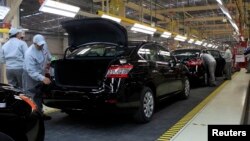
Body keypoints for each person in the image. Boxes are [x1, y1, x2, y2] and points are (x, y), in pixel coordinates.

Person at [23, 34, 52, 120]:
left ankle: (40, 114)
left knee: (39, 94)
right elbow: (31, 71)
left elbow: (49, 56)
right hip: (30, 75)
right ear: (34, 43)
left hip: (40, 72)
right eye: (39, 45)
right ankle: (33, 117)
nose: (41, 46)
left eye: (42, 44)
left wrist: (49, 63)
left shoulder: (44, 46)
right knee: (32, 95)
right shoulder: (29, 53)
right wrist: (42, 78)